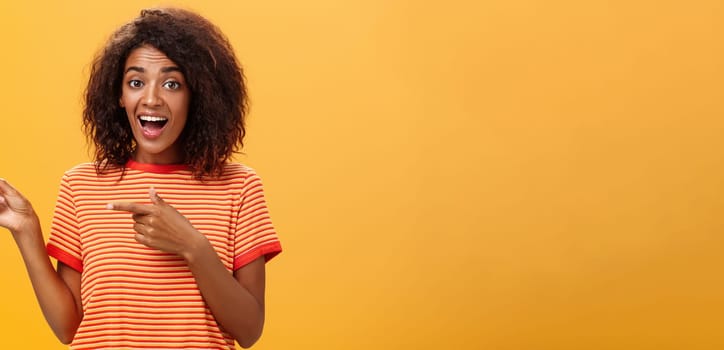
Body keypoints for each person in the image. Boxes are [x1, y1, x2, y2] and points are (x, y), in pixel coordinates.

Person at [0, 7, 282, 349]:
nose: (151, 99)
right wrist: (27, 230)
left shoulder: (239, 186)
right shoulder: (81, 185)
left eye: (172, 83)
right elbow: (69, 328)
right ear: (119, 95)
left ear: (197, 95)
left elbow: (250, 330)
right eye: (136, 82)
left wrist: (192, 246)